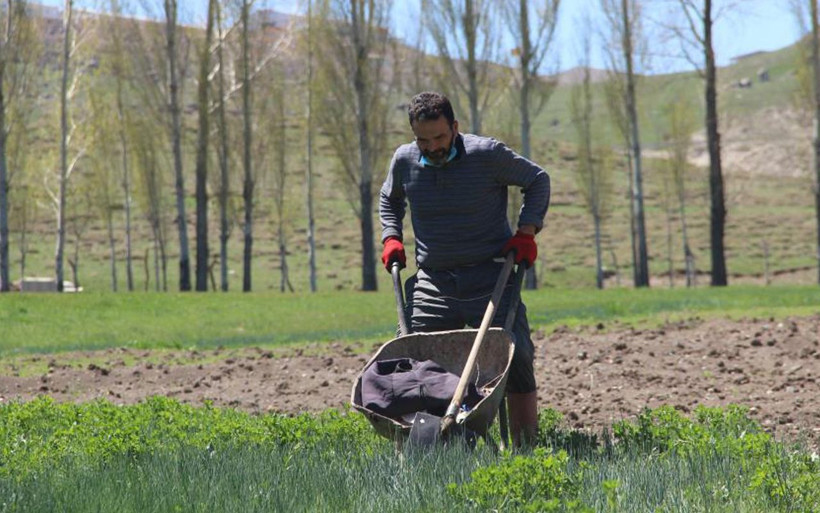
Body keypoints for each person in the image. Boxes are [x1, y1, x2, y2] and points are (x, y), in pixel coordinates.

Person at [379, 91, 550, 446]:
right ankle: (423, 445)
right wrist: (391, 236)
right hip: (434, 282)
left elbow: (537, 180)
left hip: (491, 275)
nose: (433, 147)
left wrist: (527, 231)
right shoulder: (405, 160)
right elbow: (390, 198)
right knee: (412, 356)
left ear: (455, 127)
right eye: (423, 140)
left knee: (513, 352)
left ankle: (526, 446)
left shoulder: (486, 155)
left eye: (440, 137)